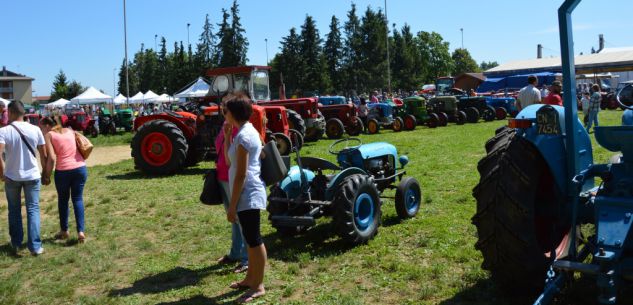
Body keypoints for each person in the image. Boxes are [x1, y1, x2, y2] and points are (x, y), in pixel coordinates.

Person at [223, 93, 267, 303]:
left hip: (248, 195)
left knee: (254, 240)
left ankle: (258, 285)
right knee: (250, 240)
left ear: (233, 112)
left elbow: (241, 174)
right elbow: (229, 162)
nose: (224, 114)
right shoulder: (243, 133)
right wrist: (226, 136)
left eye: (226, 110)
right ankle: (250, 279)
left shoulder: (244, 136)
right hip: (245, 195)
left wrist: (231, 207)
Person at [0, 101, 47, 255]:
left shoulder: (4, 131)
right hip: (32, 175)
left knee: (14, 210)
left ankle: (16, 243)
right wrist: (45, 173)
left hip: (12, 176)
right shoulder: (35, 129)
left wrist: (2, 174)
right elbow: (43, 154)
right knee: (33, 209)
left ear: (11, 113)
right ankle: (35, 246)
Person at [40, 117, 87, 243]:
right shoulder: (70, 131)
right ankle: (80, 231)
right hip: (80, 168)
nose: (41, 130)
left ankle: (64, 230)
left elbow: (52, 158)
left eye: (41, 127)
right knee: (77, 199)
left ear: (47, 126)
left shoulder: (49, 135)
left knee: (63, 200)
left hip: (63, 171)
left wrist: (46, 175)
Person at [215, 101, 248, 273]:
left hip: (232, 177)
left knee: (240, 219)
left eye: (225, 111)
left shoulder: (239, 130)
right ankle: (236, 253)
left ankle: (246, 259)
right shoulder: (226, 126)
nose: (222, 113)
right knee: (233, 219)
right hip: (222, 175)